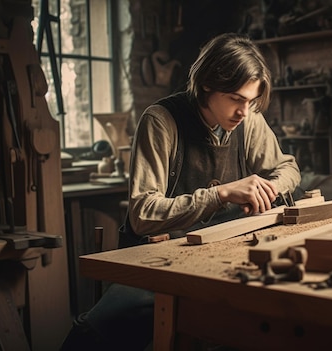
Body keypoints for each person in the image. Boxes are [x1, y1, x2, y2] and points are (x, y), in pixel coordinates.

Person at [61, 32, 301, 350]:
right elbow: (143, 215)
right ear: (207, 84)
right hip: (157, 259)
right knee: (95, 333)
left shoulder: (249, 122)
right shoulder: (161, 121)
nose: (245, 111)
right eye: (236, 99)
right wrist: (222, 194)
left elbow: (289, 169)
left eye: (251, 101)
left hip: (220, 255)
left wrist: (266, 189)